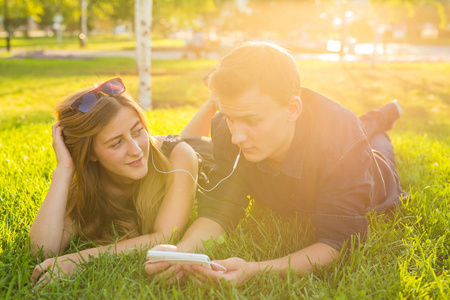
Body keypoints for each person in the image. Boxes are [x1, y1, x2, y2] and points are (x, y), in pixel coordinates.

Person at [144, 42, 407, 285]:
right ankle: (381, 115)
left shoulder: (342, 141)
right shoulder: (227, 129)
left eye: (252, 121)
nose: (237, 137)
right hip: (320, 148)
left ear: (292, 109)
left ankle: (384, 116)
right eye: (231, 119)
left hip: (376, 171)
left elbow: (337, 242)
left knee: (375, 140)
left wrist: (256, 270)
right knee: (359, 127)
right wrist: (183, 252)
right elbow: (218, 211)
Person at [29, 78, 215, 286]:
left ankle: (214, 102)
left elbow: (164, 237)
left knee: (184, 144)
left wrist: (79, 259)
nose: (135, 149)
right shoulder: (91, 183)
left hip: (204, 158)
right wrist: (64, 169)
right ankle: (213, 102)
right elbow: (42, 251)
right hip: (176, 149)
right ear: (90, 154)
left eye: (138, 130)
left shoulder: (178, 156)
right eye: (116, 143)